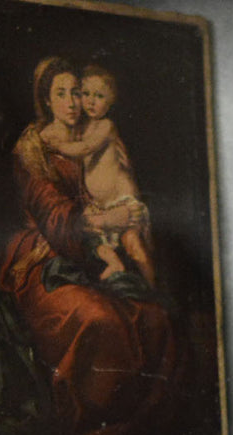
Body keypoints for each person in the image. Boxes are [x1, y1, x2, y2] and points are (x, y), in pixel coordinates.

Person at [0, 57, 176, 435]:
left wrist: (120, 219)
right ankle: (89, 431)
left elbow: (118, 186)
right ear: (45, 98)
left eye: (77, 91)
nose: (73, 101)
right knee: (100, 320)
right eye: (61, 93)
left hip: (94, 255)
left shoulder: (94, 136)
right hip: (45, 259)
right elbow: (54, 218)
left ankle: (129, 430)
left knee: (153, 318)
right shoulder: (34, 148)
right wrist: (104, 220)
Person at [40, 65, 156, 287]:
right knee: (99, 246)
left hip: (124, 203)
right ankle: (117, 269)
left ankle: (154, 292)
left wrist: (56, 145)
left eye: (99, 96)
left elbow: (84, 149)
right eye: (86, 94)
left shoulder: (106, 126)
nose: (91, 101)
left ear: (110, 102)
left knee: (133, 244)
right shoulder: (79, 128)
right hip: (103, 209)